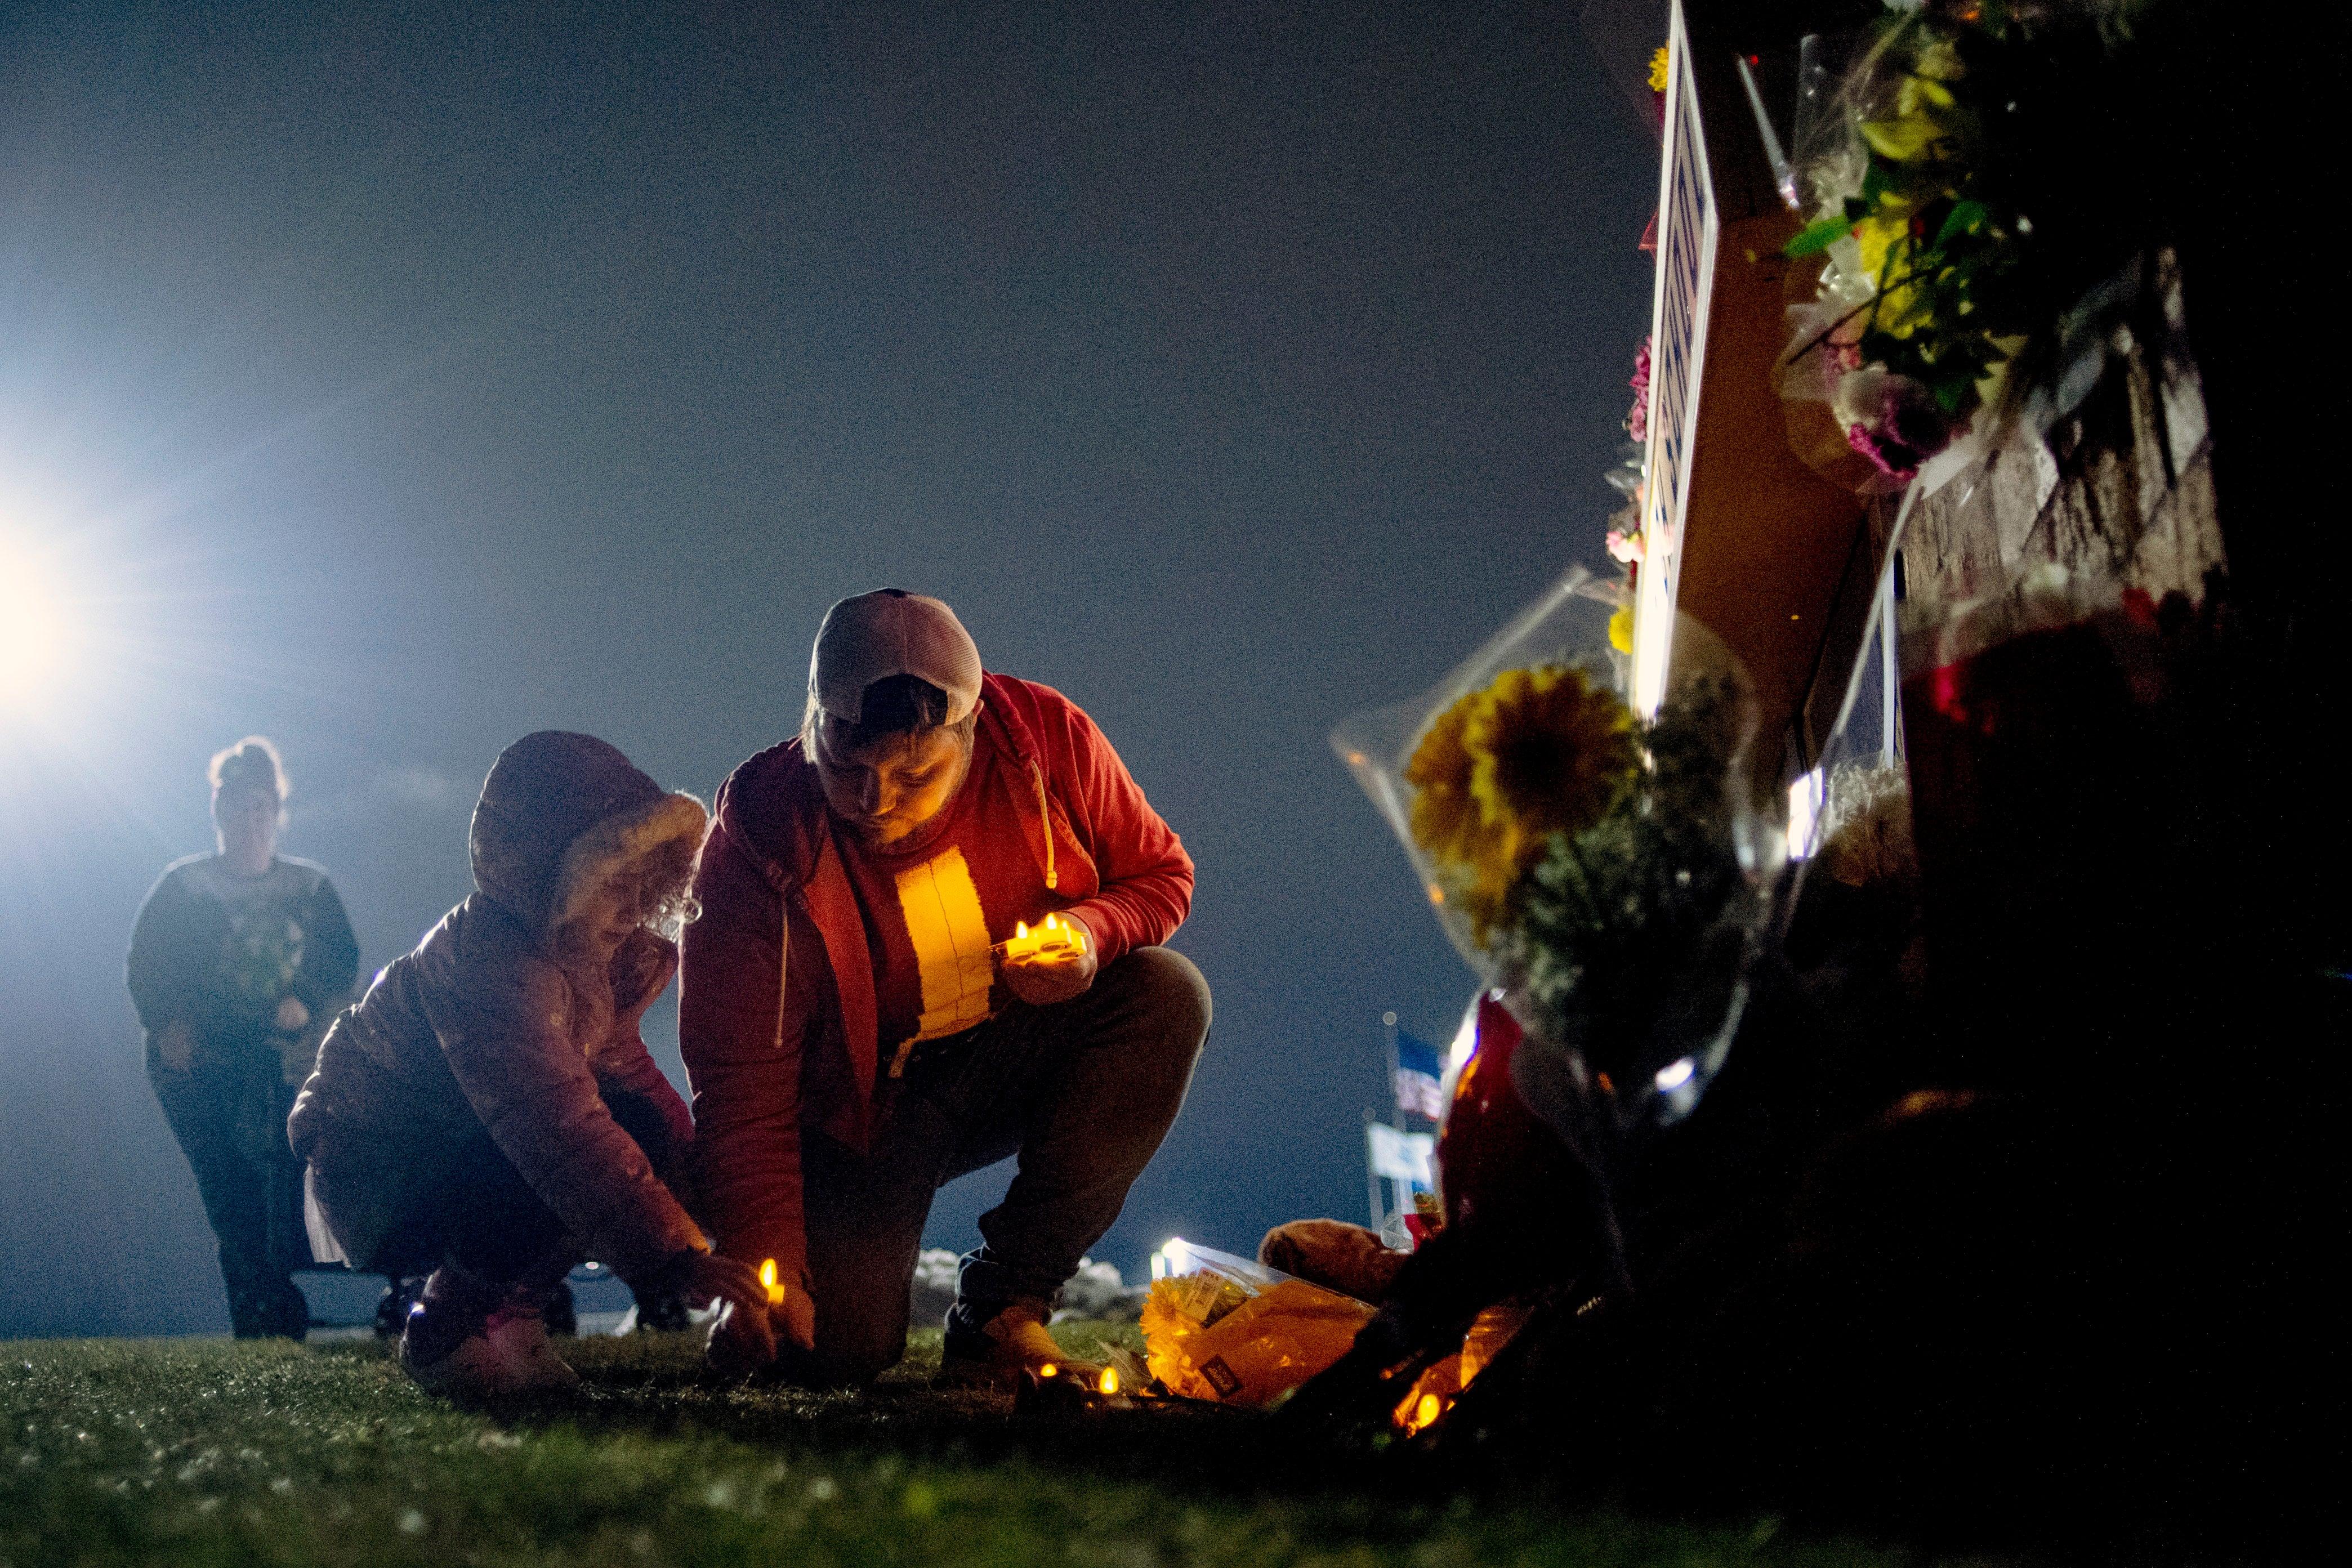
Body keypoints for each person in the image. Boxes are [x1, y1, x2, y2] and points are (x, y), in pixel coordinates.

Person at [681, 589, 1211, 1388]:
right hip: (858, 1117)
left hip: (1007, 1052)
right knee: (832, 1352)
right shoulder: (759, 839)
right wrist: (763, 1270)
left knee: (1164, 995)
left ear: (971, 725)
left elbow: (1160, 875)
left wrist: (1090, 935)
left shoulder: (1044, 738)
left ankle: (1004, 1308)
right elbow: (740, 1089)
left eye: (915, 773)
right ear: (816, 719)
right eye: (847, 768)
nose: (876, 802)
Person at [288, 731, 778, 1400]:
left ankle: (508, 1317)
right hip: (381, 1167)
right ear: (544, 875)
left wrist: (725, 1230)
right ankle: (443, 1331)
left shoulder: (586, 962)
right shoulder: (490, 964)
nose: (634, 908)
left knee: (630, 1124)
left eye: (642, 884)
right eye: (610, 883)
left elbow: (635, 1093)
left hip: (462, 1144)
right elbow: (553, 1125)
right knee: (544, 1156)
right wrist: (675, 1257)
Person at [127, 737, 359, 1339]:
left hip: (286, 1061)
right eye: (237, 807)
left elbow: (342, 962)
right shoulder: (183, 888)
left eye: (260, 806)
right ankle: (263, 1312)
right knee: (229, 1183)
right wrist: (169, 1022)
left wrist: (303, 1000)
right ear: (218, 812)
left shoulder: (310, 889)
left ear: (276, 813)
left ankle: (270, 1308)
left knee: (280, 1183)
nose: (249, 820)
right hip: (207, 1061)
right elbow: (148, 966)